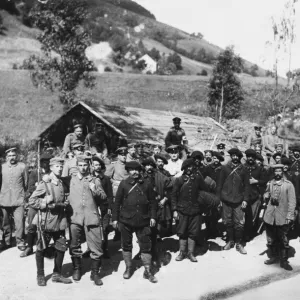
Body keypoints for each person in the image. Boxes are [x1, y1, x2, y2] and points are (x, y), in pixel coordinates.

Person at [29, 157, 72, 286]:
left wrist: (65, 202)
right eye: (57, 166)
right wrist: (44, 202)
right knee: (41, 248)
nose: (59, 168)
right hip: (47, 221)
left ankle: (57, 274)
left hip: (60, 220)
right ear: (51, 167)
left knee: (61, 247)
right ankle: (40, 275)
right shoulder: (44, 184)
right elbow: (31, 201)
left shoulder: (62, 182)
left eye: (61, 166)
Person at [112, 161, 158, 283]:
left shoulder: (146, 184)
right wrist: (115, 219)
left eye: (137, 169)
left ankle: (148, 271)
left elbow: (153, 202)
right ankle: (128, 268)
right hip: (126, 220)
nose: (135, 172)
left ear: (140, 171)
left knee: (145, 245)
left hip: (143, 220)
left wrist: (153, 217)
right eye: (132, 170)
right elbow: (117, 203)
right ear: (128, 171)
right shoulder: (123, 184)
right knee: (126, 245)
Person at [68, 155, 107, 286]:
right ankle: (77, 269)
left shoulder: (94, 180)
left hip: (91, 217)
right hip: (76, 217)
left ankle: (95, 273)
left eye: (85, 165)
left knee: (96, 246)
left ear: (89, 166)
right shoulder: (71, 180)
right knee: (74, 245)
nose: (83, 168)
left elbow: (103, 197)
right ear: (77, 166)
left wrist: (94, 189)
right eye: (80, 165)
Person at [171, 158, 208, 262]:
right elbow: (173, 196)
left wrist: (203, 206)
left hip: (196, 210)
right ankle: (182, 252)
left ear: (193, 167)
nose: (189, 169)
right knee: (182, 232)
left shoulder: (198, 179)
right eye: (186, 167)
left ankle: (190, 253)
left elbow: (205, 192)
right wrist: (174, 210)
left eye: (191, 166)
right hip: (182, 210)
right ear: (183, 168)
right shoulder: (179, 180)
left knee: (193, 232)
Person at [217, 148, 250, 254]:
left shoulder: (244, 169)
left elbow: (247, 186)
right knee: (227, 221)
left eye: (237, 156)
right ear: (231, 156)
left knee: (239, 223)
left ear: (239, 157)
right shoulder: (224, 168)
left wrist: (245, 199)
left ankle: (239, 243)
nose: (235, 157)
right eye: (233, 155)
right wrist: (219, 199)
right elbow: (219, 185)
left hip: (239, 200)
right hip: (226, 199)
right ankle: (230, 241)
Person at [263, 164, 296, 271]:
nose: (277, 173)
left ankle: (284, 260)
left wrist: (290, 215)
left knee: (283, 239)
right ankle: (273, 257)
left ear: (282, 172)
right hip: (270, 215)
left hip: (282, 215)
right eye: (275, 171)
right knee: (271, 239)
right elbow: (266, 193)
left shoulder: (288, 185)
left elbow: (292, 201)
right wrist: (266, 195)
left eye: (279, 171)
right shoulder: (270, 183)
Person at [21, 153, 52, 258]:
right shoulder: (35, 173)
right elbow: (30, 188)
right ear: (41, 163)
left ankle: (45, 247)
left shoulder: (52, 174)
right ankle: (29, 247)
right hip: (36, 202)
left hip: (47, 202)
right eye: (44, 162)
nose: (46, 164)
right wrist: (39, 188)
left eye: (48, 162)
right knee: (31, 225)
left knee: (47, 225)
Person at [142, 158, 172, 265]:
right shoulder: (141, 177)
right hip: (145, 208)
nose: (149, 168)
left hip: (158, 206)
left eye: (151, 165)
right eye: (147, 165)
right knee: (145, 231)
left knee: (156, 231)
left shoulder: (160, 176)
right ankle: (145, 253)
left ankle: (156, 254)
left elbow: (170, 188)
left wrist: (165, 199)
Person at [0, 148, 28, 251]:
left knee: (19, 222)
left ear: (17, 156)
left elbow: (26, 183)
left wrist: (23, 196)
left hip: (18, 199)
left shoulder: (22, 167)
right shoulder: (2, 167)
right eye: (10, 156)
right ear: (6, 157)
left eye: (13, 155)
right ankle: (7, 241)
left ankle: (20, 241)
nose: (12, 157)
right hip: (4, 199)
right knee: (5, 222)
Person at [91, 156, 113, 258]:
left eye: (99, 164)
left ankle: (105, 249)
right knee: (92, 229)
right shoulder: (89, 178)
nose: (98, 166)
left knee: (104, 229)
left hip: (104, 207)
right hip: (92, 208)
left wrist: (109, 207)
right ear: (92, 166)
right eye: (95, 164)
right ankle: (91, 249)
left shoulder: (106, 179)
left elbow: (109, 194)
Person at [243, 149, 267, 241]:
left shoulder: (259, 169)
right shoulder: (242, 167)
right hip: (243, 196)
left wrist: (256, 181)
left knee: (252, 216)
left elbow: (264, 181)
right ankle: (242, 233)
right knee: (243, 216)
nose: (250, 158)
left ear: (254, 158)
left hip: (255, 195)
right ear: (246, 157)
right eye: (248, 157)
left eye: (252, 157)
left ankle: (248, 234)